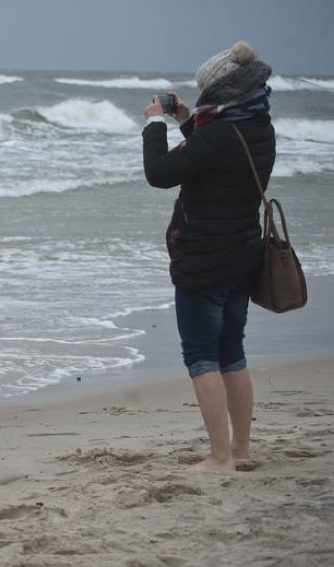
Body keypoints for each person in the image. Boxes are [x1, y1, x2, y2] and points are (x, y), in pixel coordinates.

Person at [142, 41, 275, 472]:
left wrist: (155, 124)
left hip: (204, 261)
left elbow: (160, 174)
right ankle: (241, 451)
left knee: (202, 357)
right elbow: (212, 162)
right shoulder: (257, 128)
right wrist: (187, 122)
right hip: (243, 257)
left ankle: (218, 458)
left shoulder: (217, 136)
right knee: (232, 352)